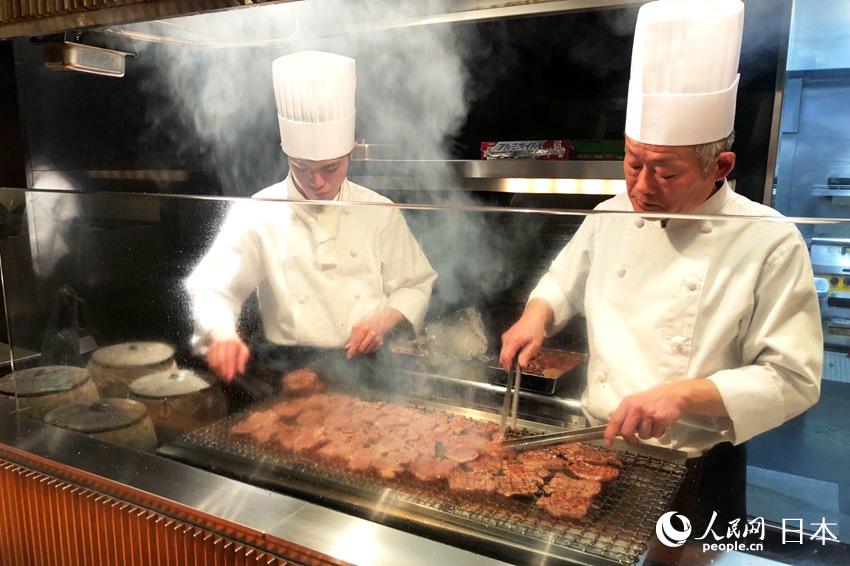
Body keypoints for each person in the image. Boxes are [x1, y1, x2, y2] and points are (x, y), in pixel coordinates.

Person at [500, 0, 822, 534]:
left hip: (698, 464)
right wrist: (537, 316)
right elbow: (562, 281)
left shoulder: (770, 239)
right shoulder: (610, 214)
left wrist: (682, 394)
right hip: (595, 443)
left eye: (666, 173)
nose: (641, 188)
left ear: (720, 166)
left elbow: (793, 378)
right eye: (632, 163)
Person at [187, 51, 437, 383]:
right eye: (301, 167)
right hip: (288, 370)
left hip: (366, 367)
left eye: (330, 168)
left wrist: (382, 321)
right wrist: (222, 334)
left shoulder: (378, 210)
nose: (317, 182)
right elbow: (212, 287)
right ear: (287, 153)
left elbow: (415, 283)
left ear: (350, 152)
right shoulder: (258, 211)